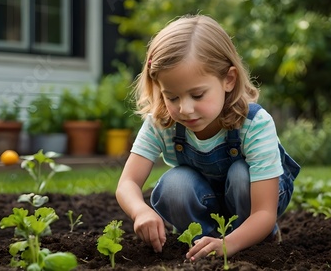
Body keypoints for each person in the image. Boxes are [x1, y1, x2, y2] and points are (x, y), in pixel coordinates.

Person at [115, 14, 300, 261]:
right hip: (204, 199)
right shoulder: (162, 122)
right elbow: (127, 183)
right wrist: (140, 211)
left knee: (239, 174)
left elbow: (264, 211)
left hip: (255, 206)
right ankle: (203, 247)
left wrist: (229, 243)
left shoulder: (254, 124)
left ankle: (253, 242)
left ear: (228, 79)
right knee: (175, 184)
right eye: (172, 97)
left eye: (198, 95)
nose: (185, 109)